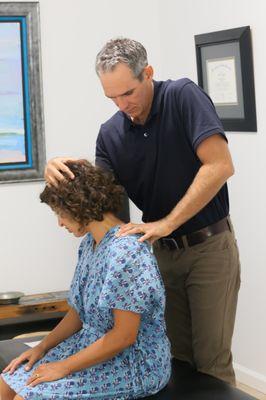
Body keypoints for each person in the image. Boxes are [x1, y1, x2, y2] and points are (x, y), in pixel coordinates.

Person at [44, 38, 241, 385]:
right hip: (160, 253)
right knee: (178, 360)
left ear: (147, 73)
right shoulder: (110, 135)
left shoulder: (183, 97)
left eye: (129, 93)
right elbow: (99, 200)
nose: (123, 105)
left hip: (209, 248)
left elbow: (220, 166)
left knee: (211, 364)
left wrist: (165, 223)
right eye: (112, 98)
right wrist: (60, 169)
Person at [0, 160, 171, 400]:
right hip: (92, 345)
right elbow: (78, 312)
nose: (59, 223)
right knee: (6, 383)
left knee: (26, 398)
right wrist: (41, 347)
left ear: (78, 206)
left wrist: (63, 366)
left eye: (60, 214)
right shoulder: (89, 245)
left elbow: (124, 337)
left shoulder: (127, 253)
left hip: (132, 363)